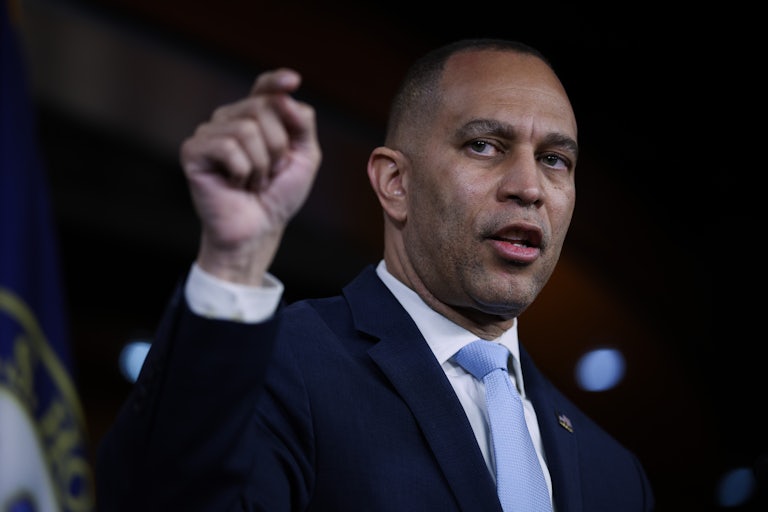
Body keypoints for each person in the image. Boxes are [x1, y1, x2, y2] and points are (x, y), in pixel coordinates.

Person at [95, 38, 655, 511]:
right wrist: (232, 262)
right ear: (395, 183)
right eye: (485, 146)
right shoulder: (283, 363)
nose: (529, 187)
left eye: (555, 159)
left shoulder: (615, 474)